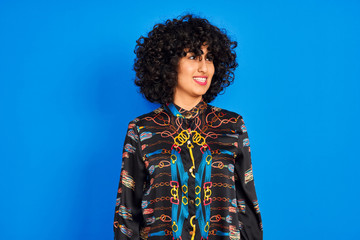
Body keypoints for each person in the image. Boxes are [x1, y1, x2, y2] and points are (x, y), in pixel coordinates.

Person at [113, 14, 262, 240]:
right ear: (169, 64)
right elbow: (126, 214)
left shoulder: (232, 126)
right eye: (193, 57)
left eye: (209, 58)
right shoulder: (142, 130)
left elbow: (247, 209)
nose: (204, 67)